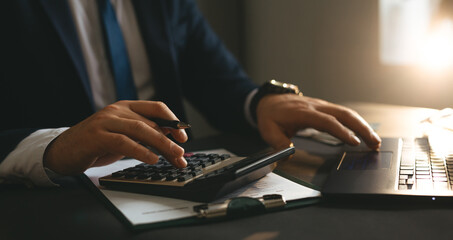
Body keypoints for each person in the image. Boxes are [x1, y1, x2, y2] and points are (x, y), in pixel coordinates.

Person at [0, 0, 381, 186]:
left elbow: (217, 81)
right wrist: (53, 146)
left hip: (178, 183)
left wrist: (262, 102)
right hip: (53, 203)